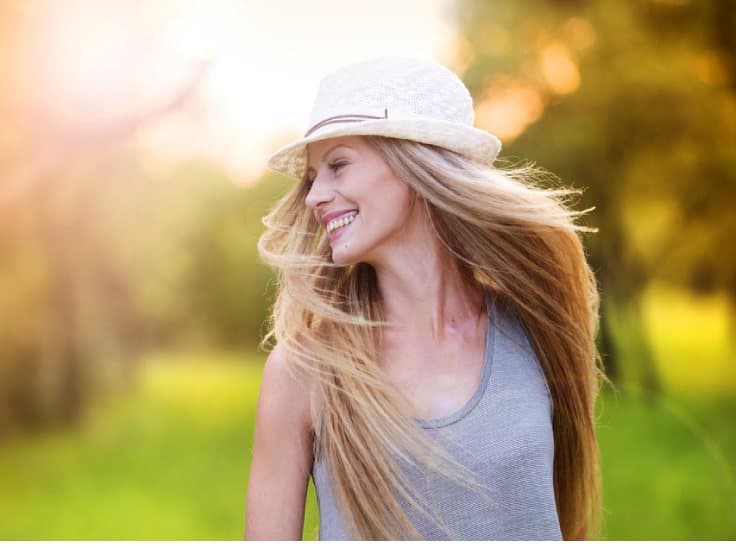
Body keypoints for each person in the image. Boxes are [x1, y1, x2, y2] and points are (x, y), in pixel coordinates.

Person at [244, 56, 609, 541]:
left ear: (414, 163)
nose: (314, 197)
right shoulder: (302, 372)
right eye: (312, 178)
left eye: (338, 165)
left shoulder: (536, 328)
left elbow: (564, 519)